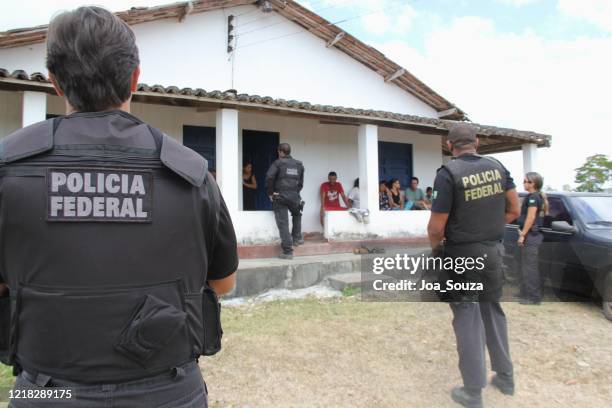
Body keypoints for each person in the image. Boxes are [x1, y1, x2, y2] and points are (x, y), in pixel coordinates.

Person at [0, 7, 238, 407]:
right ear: (134, 78)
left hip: (50, 392)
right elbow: (222, 283)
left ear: (55, 82)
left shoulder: (8, 170)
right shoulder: (193, 174)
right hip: (168, 393)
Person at [427, 123, 520, 408]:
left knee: (467, 316)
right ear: (477, 142)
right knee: (492, 310)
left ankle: (473, 392)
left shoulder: (448, 174)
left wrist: (437, 250)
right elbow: (514, 210)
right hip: (493, 251)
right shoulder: (499, 167)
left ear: (448, 145)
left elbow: (435, 227)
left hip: (461, 255)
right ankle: (505, 377)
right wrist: (489, 229)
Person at [266, 143, 305, 260]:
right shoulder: (299, 164)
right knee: (297, 214)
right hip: (295, 196)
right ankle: (297, 238)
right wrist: (295, 192)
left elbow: (269, 177)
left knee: (283, 224)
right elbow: (301, 183)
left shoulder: (278, 163)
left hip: (280, 197)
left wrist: (271, 193)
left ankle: (288, 251)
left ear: (280, 151)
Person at [516, 172, 548, 305]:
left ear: (532, 183)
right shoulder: (535, 196)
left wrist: (523, 235)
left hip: (531, 236)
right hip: (532, 235)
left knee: (530, 267)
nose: (523, 183)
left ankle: (533, 298)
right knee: (524, 265)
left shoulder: (534, 197)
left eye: (525, 181)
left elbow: (531, 217)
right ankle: (524, 292)